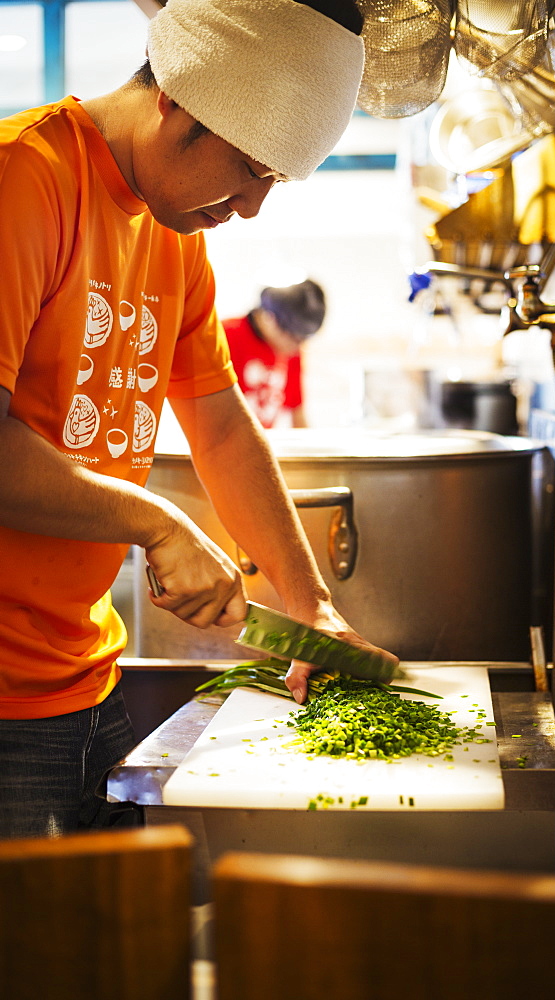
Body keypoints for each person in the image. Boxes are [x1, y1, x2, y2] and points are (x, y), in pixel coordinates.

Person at [0, 0, 398, 839]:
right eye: (248, 167)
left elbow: (219, 423)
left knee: (113, 958)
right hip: (3, 706)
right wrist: (158, 522)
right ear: (178, 96)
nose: (251, 207)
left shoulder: (176, 234)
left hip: (84, 678)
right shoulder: (22, 179)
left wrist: (309, 606)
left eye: (273, 182)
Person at [224, 278, 326, 428]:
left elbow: (297, 414)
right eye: (293, 336)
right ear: (269, 318)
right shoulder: (225, 337)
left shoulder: (292, 351)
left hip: (258, 444)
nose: (298, 346)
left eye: (303, 338)